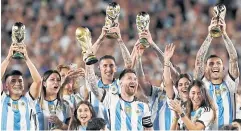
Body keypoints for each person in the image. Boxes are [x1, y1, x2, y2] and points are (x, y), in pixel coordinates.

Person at [194, 18, 239, 128]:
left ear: (223, 68)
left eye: (218, 63)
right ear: (206, 69)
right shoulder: (203, 85)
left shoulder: (230, 84)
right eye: (211, 64)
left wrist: (224, 34)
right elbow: (199, 59)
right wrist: (210, 35)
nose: (215, 65)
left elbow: (233, 58)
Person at [86, 66, 153, 130]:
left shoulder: (144, 106)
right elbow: (94, 87)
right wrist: (88, 61)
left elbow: (148, 129)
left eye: (135, 79)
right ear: (120, 83)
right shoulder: (112, 99)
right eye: (129, 78)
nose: (133, 81)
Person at [1, 44, 41, 130]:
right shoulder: (2, 99)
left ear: (23, 85)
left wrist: (26, 59)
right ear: (6, 86)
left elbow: (38, 82)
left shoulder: (29, 99)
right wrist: (8, 58)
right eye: (13, 81)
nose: (17, 83)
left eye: (20, 81)